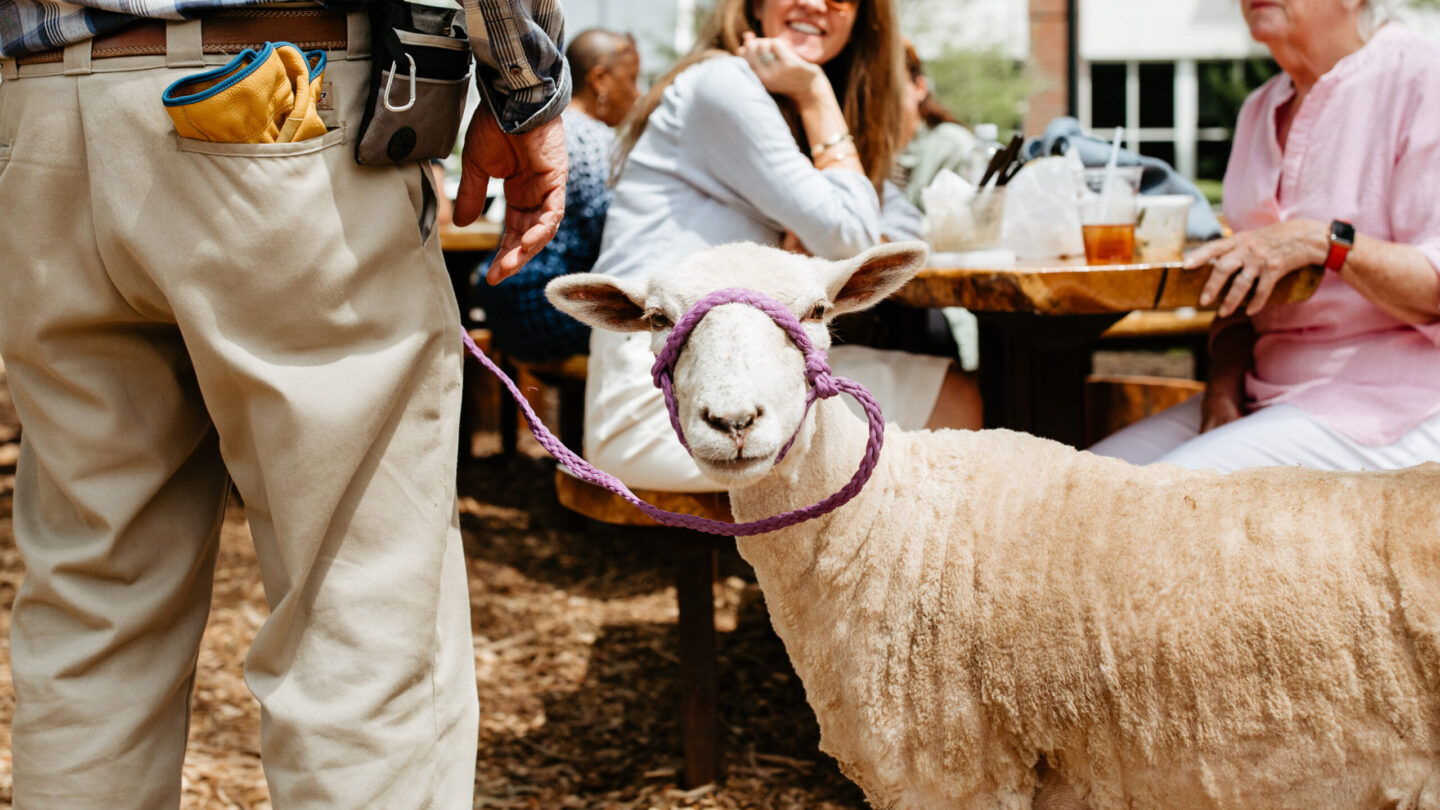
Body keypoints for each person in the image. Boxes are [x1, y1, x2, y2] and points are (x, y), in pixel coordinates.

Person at [0, 4, 567, 808]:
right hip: (275, 97)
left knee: (93, 612)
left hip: (36, 117)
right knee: (358, 610)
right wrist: (524, 89)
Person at [582, 0, 983, 493]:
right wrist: (816, 95)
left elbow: (896, 221)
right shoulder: (724, 85)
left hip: (746, 373)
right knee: (954, 399)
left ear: (861, 16)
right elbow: (854, 235)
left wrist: (826, 224)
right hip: (655, 402)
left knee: (941, 378)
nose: (815, 3)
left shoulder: (777, 101)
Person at [1089, 0, 1440, 472]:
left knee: (1148, 505)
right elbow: (1245, 295)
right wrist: (1223, 383)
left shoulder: (1423, 78)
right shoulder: (1259, 109)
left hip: (1392, 405)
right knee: (1085, 481)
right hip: (1265, 392)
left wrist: (1322, 241)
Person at [476, 28, 641, 364]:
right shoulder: (600, 145)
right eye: (633, 79)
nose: (638, 94)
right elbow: (615, 238)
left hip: (501, 299)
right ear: (600, 80)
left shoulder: (543, 129)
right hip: (550, 309)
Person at [894, 39, 979, 210]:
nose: (879, 97)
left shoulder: (955, 146)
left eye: (891, 84)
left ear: (920, 87)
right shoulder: (855, 151)